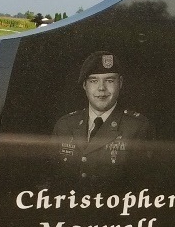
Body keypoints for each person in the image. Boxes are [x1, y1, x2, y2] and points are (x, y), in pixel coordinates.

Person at [53, 50, 154, 183]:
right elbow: (51, 178)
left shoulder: (137, 127)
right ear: (84, 85)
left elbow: (144, 188)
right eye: (93, 81)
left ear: (120, 83)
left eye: (110, 80)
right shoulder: (65, 125)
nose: (102, 88)